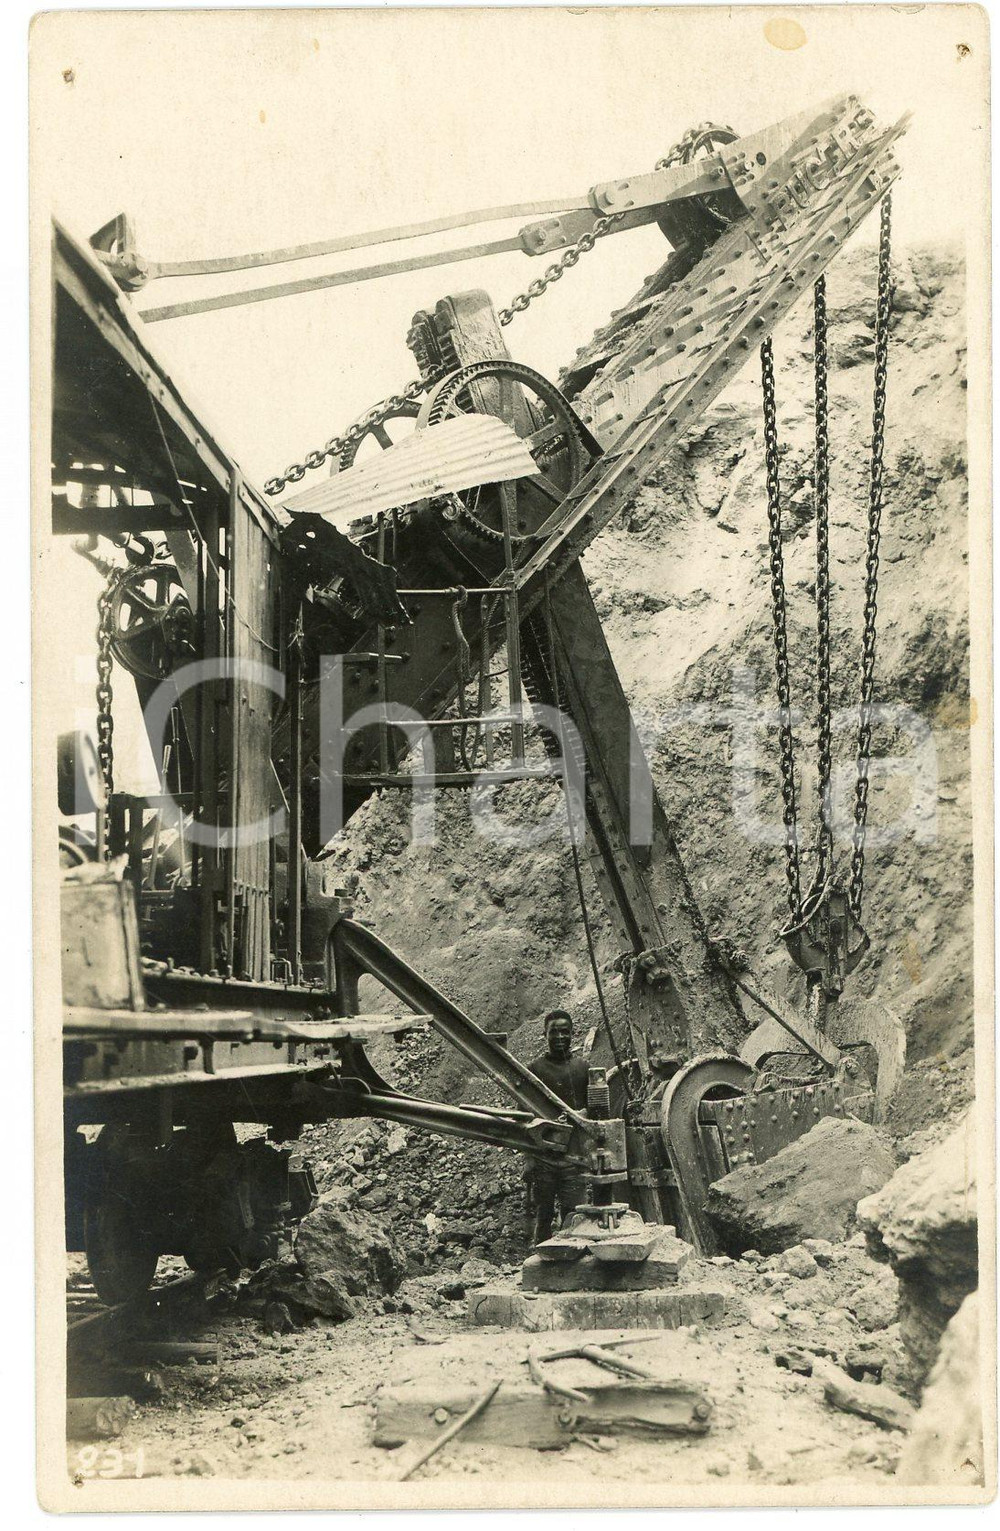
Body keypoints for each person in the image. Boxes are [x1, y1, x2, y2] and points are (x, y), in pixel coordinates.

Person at [524, 1010, 589, 1245]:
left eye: (564, 1032)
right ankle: (541, 1254)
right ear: (545, 1034)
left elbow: (597, 1110)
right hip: (544, 1159)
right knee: (543, 1215)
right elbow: (524, 1116)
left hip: (574, 1158)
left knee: (574, 1215)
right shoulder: (534, 1069)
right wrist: (529, 1159)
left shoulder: (583, 1068)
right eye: (554, 1032)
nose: (560, 1037)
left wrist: (581, 1114)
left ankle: (570, 1256)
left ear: (572, 1034)